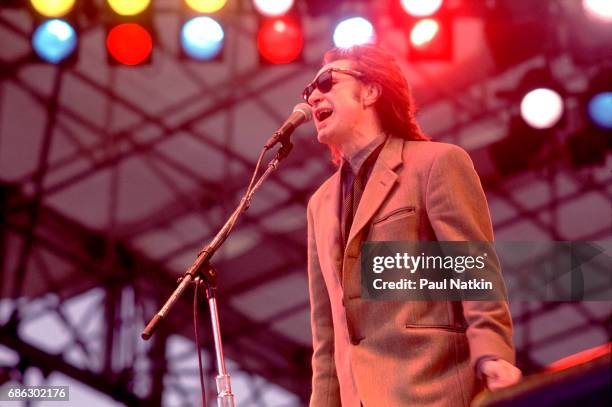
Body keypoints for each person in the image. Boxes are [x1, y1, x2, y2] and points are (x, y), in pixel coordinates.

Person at [304, 44, 521, 407]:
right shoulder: (319, 205)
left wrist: (492, 353)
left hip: (433, 391)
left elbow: (474, 268)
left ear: (371, 91)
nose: (313, 96)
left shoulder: (436, 164)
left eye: (327, 82)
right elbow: (327, 331)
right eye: (308, 90)